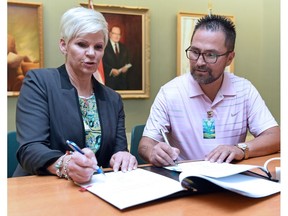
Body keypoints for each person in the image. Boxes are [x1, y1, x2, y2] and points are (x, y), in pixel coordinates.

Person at [14, 7, 137, 183]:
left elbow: (119, 149)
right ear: (63, 45)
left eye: (98, 47)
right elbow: (30, 149)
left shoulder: (113, 99)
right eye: (82, 44)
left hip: (96, 191)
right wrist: (65, 164)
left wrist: (123, 156)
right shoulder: (39, 82)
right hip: (43, 189)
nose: (91, 53)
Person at [138, 14, 280, 167]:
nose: (199, 62)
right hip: (185, 180)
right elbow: (146, 143)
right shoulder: (170, 92)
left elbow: (275, 136)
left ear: (230, 58)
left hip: (230, 179)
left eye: (210, 55)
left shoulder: (244, 90)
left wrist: (241, 149)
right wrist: (153, 152)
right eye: (194, 52)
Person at [102, 26, 132, 90]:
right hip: (109, 83)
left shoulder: (124, 47)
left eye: (118, 34)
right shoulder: (104, 46)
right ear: (110, 34)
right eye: (114, 33)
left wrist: (126, 68)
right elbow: (100, 63)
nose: (117, 36)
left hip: (122, 83)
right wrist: (111, 70)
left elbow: (128, 61)